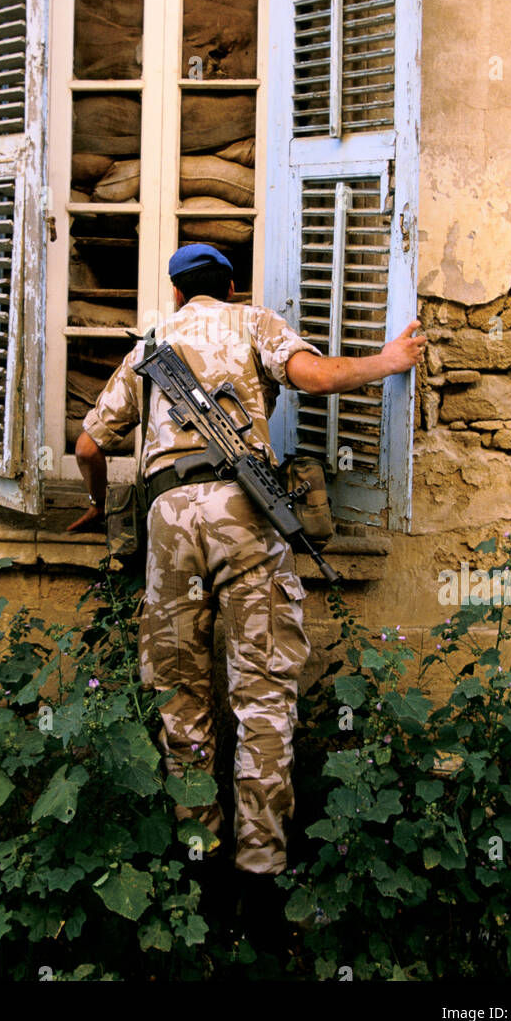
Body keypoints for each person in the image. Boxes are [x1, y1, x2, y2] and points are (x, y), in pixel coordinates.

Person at [69, 243, 426, 944]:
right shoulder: (253, 322)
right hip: (242, 509)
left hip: (166, 520)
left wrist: (94, 502)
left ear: (176, 295)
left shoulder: (149, 347)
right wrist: (387, 361)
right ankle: (260, 880)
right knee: (262, 692)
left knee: (180, 696)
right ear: (231, 287)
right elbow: (317, 377)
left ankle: (195, 865)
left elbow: (88, 446)